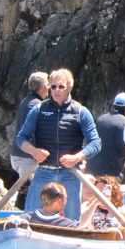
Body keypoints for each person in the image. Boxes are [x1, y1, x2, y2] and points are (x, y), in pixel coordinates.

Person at [17, 68, 101, 221]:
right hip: (44, 170)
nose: (56, 90)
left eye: (61, 86)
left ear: (69, 87)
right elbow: (21, 138)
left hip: (71, 173)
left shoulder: (81, 112)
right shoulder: (38, 110)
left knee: (72, 219)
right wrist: (33, 151)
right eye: (53, 86)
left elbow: (96, 143)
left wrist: (77, 157)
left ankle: (70, 234)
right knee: (30, 215)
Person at [10, 72, 49, 180]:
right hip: (27, 157)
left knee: (26, 186)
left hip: (19, 154)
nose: (50, 87)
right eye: (48, 84)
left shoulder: (26, 101)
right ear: (42, 87)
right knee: (31, 188)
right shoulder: (36, 105)